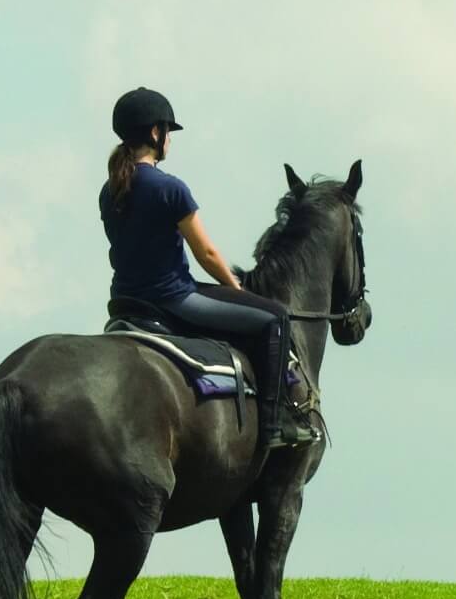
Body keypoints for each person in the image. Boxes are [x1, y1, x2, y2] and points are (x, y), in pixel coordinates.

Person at [100, 87, 314, 449]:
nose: (170, 140)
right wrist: (237, 289)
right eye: (169, 132)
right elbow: (207, 254)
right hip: (173, 298)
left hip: (125, 300)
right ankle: (276, 425)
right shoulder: (170, 188)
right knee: (275, 317)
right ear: (156, 133)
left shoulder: (110, 190)